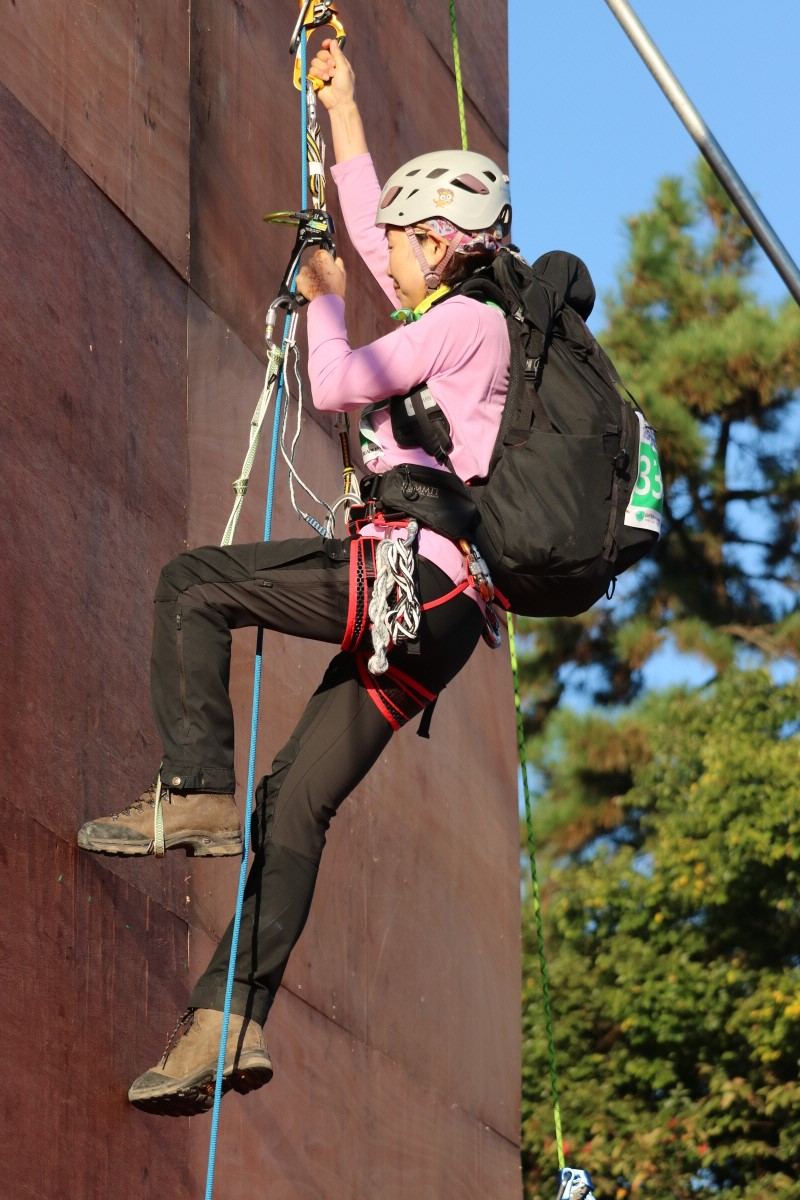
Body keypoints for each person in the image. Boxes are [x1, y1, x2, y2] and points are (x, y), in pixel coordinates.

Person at [76, 38, 512, 1116]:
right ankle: (228, 1023)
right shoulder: (468, 319)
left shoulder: (462, 323)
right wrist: (342, 111)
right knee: (294, 805)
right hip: (442, 619)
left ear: (443, 245)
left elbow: (334, 381)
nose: (388, 260)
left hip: (404, 580)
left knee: (192, 584)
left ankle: (191, 792)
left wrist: (320, 296)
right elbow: (370, 235)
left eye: (407, 246)